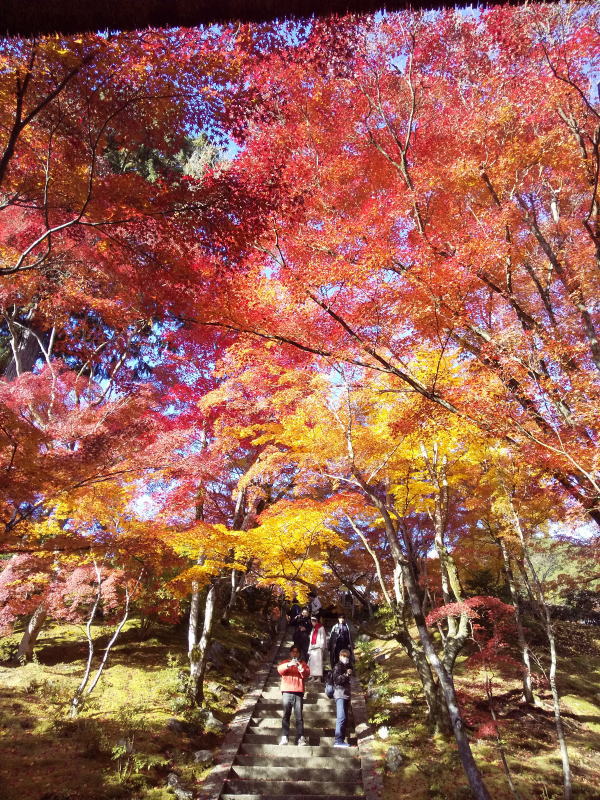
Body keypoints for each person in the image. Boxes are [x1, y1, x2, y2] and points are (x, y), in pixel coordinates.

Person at [277, 644, 310, 746]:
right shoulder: (285, 662)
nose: (295, 654)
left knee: (299, 716)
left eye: (297, 652)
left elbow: (306, 673)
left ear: (299, 654)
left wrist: (300, 668)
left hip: (298, 691)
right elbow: (280, 670)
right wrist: (289, 664)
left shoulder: (302, 663)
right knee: (286, 715)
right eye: (293, 652)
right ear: (290, 653)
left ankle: (300, 738)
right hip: (287, 691)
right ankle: (284, 737)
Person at [331, 648, 352, 747]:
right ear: (340, 656)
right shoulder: (338, 666)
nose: (345, 658)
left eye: (347, 656)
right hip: (340, 693)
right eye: (343, 656)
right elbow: (337, 680)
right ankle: (338, 740)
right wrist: (346, 674)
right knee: (341, 717)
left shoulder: (347, 666)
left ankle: (341, 740)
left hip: (346, 694)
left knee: (345, 718)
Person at [307, 615, 327, 681]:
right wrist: (309, 649)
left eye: (313, 621)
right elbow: (311, 639)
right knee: (312, 663)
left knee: (318, 663)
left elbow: (323, 638)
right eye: (312, 621)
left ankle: (318, 677)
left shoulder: (321, 628)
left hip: (318, 647)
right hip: (313, 647)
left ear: (316, 621)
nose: (312, 623)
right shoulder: (313, 629)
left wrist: (321, 647)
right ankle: (313, 676)